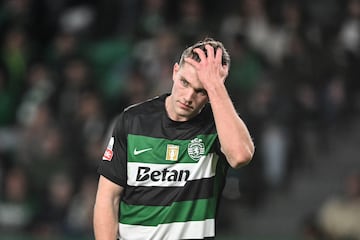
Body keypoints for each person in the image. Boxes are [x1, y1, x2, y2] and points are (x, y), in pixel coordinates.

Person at [93, 38, 255, 240]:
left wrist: (215, 86)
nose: (188, 97)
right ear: (174, 71)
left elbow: (240, 156)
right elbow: (108, 197)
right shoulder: (133, 120)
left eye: (201, 91)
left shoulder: (217, 126)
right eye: (185, 82)